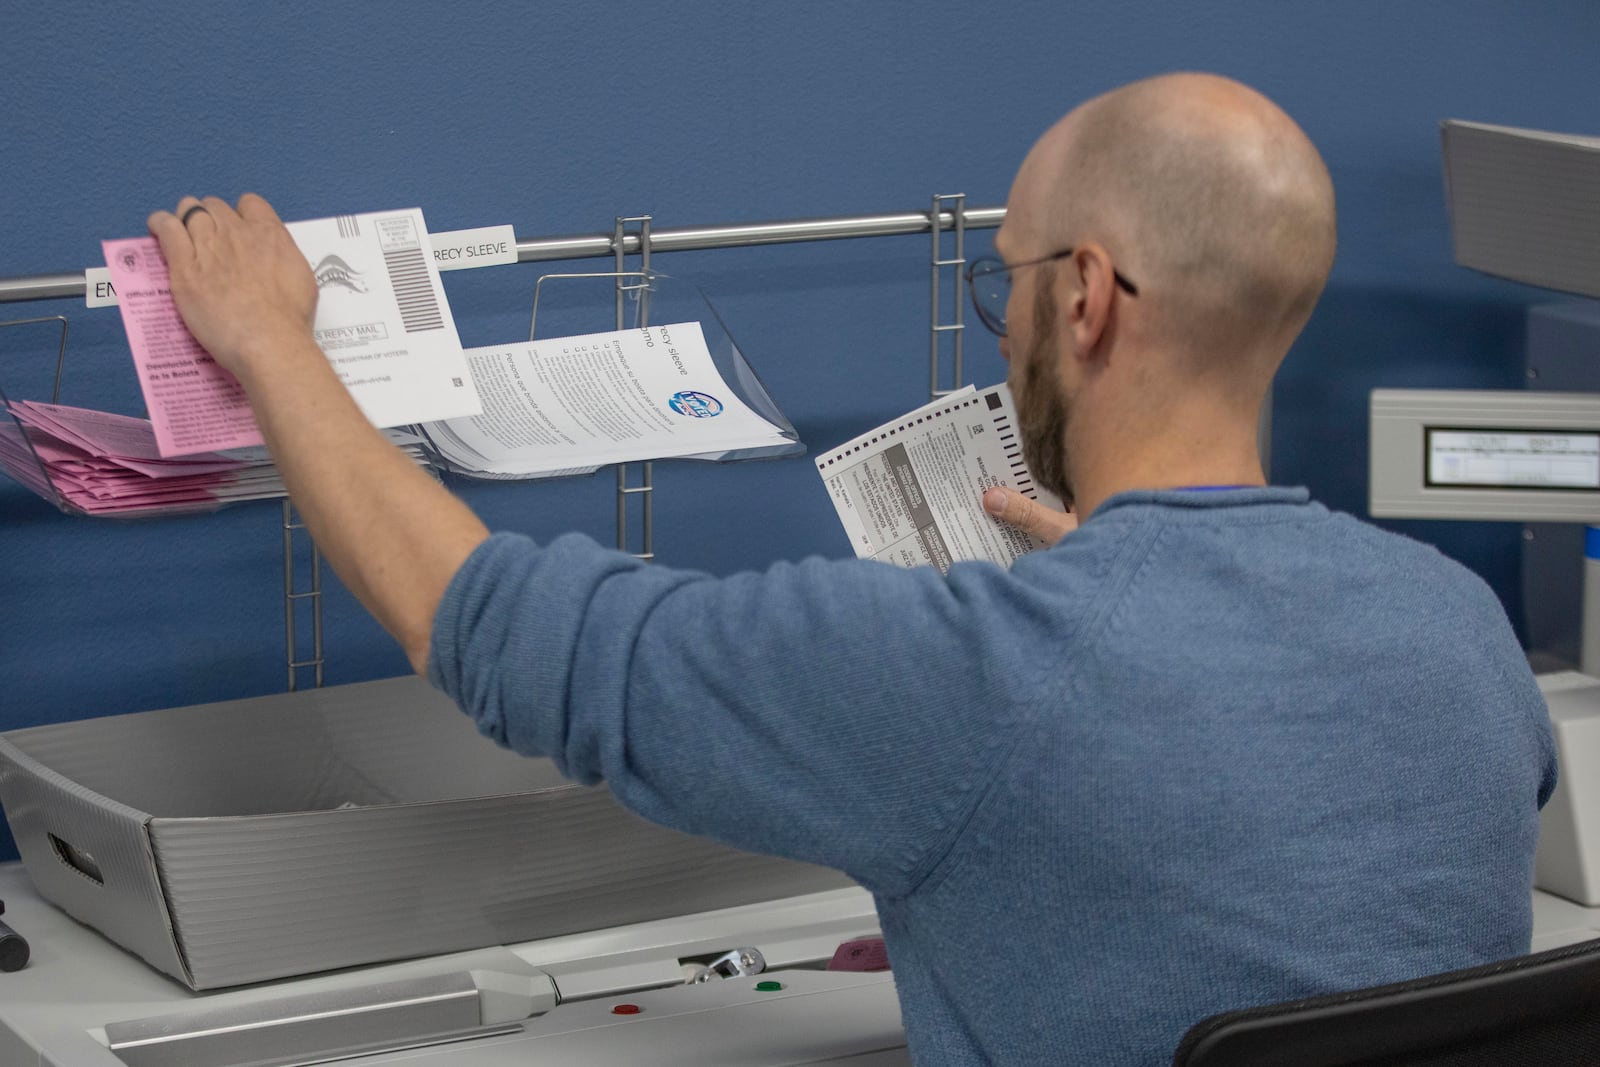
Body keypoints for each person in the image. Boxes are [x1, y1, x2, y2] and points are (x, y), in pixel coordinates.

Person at [147, 72, 1555, 1066]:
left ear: (1086, 298)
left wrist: (276, 346)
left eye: (1004, 282)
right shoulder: (1462, 633)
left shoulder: (974, 678)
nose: (1005, 327)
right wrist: (1139, 598)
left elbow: (494, 630)